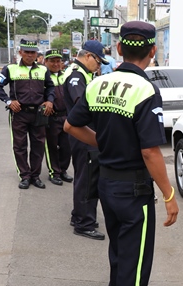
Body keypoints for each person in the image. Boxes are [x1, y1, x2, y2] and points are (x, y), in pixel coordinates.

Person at [64, 21, 178, 286]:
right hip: (134, 191)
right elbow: (150, 151)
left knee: (119, 256)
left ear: (118, 50)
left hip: (108, 185)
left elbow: (71, 125)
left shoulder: (99, 83)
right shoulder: (145, 90)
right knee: (135, 264)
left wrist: (103, 144)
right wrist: (170, 195)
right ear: (152, 51)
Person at [0, 39, 55, 189]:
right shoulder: (10, 69)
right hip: (19, 113)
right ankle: (25, 176)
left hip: (38, 114)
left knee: (38, 145)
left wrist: (50, 101)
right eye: (26, 52)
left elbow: (50, 87)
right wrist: (8, 101)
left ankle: (35, 176)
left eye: (32, 52)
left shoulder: (43, 70)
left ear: (36, 54)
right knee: (20, 146)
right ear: (20, 52)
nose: (29, 55)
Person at [62, 40, 109, 240]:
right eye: (98, 61)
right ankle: (84, 223)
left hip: (83, 133)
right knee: (88, 180)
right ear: (88, 56)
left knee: (85, 176)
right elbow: (84, 104)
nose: (99, 66)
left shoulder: (83, 74)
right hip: (84, 134)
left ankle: (79, 215)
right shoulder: (76, 76)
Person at [43, 49, 72, 186]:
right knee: (52, 147)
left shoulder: (65, 76)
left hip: (66, 116)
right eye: (52, 61)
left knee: (67, 146)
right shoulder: (43, 77)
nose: (55, 64)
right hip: (51, 118)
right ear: (46, 62)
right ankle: (54, 173)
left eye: (58, 61)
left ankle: (63, 170)